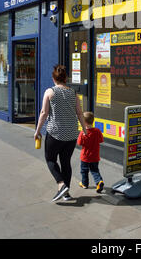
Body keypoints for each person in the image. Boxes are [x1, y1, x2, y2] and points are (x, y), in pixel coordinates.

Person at [34, 64, 88, 202]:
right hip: (71, 134)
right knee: (65, 162)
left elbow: (44, 113)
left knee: (50, 159)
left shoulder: (49, 92)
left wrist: (38, 130)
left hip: (55, 133)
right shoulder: (73, 92)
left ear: (54, 78)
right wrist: (85, 129)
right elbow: (80, 112)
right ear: (66, 78)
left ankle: (61, 184)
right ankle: (66, 194)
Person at [77, 111, 104, 193]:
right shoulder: (97, 131)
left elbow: (79, 143)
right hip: (95, 156)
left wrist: (83, 136)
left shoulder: (83, 133)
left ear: (84, 123)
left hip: (85, 157)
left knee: (84, 170)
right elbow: (101, 140)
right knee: (95, 170)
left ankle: (84, 184)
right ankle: (99, 181)